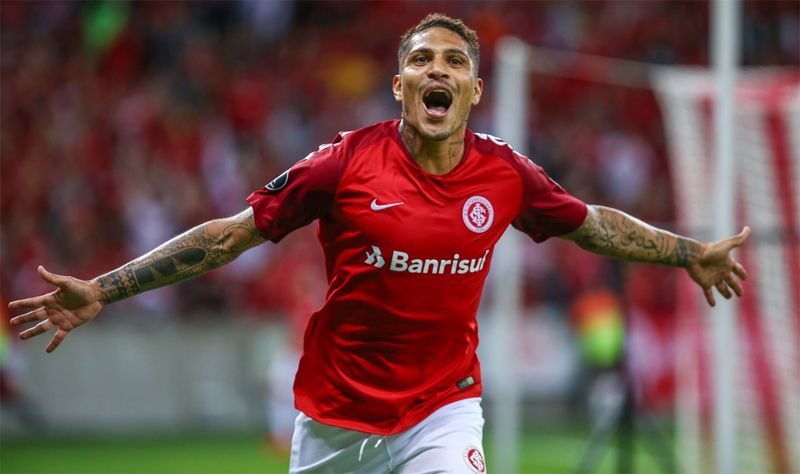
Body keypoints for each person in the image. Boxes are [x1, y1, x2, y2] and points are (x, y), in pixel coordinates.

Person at [9, 13, 749, 474]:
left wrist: (690, 253)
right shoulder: (344, 162)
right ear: (400, 85)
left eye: (455, 62)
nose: (438, 70)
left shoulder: (506, 174)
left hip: (443, 409)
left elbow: (593, 224)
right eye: (423, 60)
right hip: (335, 416)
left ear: (474, 91)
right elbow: (231, 236)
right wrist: (104, 288)